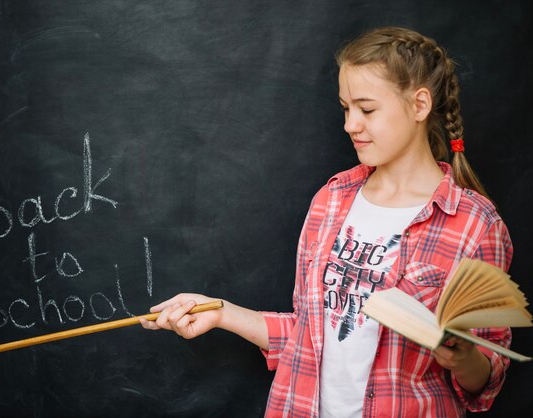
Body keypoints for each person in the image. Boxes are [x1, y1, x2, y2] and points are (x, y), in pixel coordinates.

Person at [140, 27, 513, 417]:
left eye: (367, 109)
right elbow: (311, 335)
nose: (351, 124)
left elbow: (486, 380)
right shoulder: (331, 200)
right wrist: (219, 313)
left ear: (420, 105)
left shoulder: (475, 225)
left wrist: (463, 359)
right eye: (345, 108)